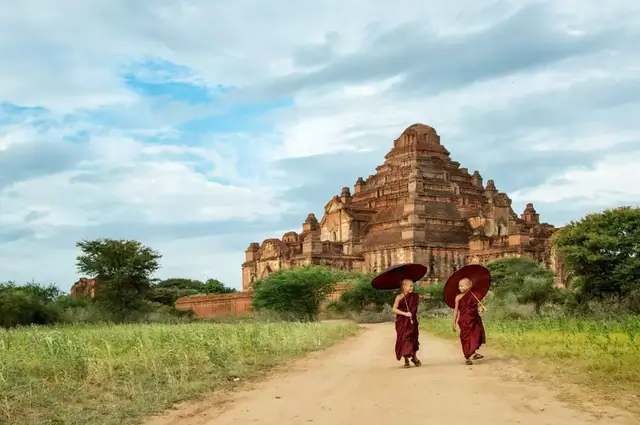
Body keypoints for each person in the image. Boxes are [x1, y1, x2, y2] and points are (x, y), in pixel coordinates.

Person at [452, 277, 486, 365]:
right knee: (466, 338)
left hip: (475, 319)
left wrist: (481, 309)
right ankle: (467, 357)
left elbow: (478, 307)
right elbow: (456, 310)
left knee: (476, 335)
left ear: (469, 286)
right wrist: (454, 322)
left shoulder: (474, 295)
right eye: (459, 286)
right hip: (464, 320)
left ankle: (474, 353)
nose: (460, 288)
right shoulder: (458, 297)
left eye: (462, 286)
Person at [392, 279, 421, 368]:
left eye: (412, 285)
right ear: (404, 286)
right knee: (404, 339)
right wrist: (404, 313)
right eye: (410, 286)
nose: (412, 287)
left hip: (412, 321)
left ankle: (414, 357)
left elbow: (414, 307)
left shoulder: (415, 296)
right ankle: (406, 360)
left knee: (414, 338)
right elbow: (394, 309)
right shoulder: (399, 297)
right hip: (402, 321)